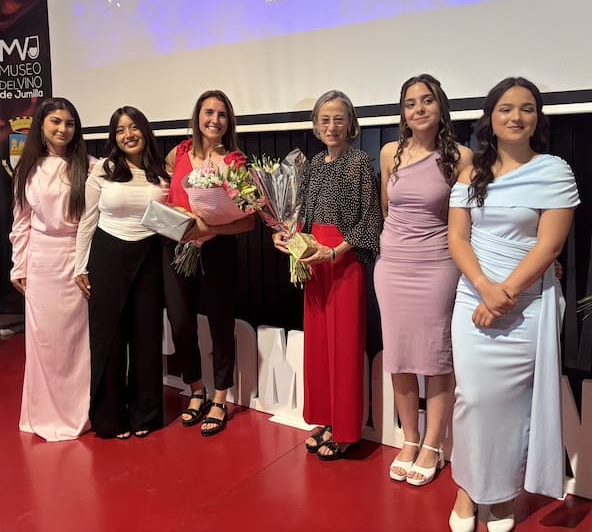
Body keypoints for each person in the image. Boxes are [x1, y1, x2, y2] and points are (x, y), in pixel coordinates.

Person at [447, 77, 579, 532]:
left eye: (526, 108)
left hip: (528, 306)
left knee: (511, 406)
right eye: (506, 108)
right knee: (472, 398)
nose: (516, 117)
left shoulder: (554, 171)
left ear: (537, 118)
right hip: (473, 298)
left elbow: (549, 247)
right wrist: (485, 287)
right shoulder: (470, 174)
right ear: (491, 117)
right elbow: (457, 238)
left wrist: (504, 297)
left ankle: (502, 495)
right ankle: (467, 489)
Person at [273, 90, 383, 460]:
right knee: (319, 345)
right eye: (325, 120)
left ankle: (347, 429)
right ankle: (326, 418)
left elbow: (370, 221)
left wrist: (334, 252)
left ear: (351, 124)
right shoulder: (314, 164)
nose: (331, 126)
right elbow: (300, 215)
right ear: (316, 126)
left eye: (339, 119)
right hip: (313, 261)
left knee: (345, 347)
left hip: (343, 262)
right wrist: (287, 235)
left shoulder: (360, 162)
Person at [374, 74, 472, 485]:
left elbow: (464, 219)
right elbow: (386, 208)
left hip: (437, 266)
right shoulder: (389, 153)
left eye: (427, 100)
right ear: (403, 112)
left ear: (440, 106)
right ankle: (409, 439)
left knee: (435, 358)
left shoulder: (461, 157)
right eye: (411, 103)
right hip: (392, 266)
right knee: (398, 357)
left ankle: (433, 444)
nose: (419, 109)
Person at [74, 106, 169, 440]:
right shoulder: (103, 169)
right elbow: (87, 219)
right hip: (108, 255)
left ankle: (146, 415)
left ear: (145, 130)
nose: (128, 135)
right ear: (113, 138)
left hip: (150, 256)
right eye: (120, 130)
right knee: (109, 339)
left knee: (147, 336)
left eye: (133, 127)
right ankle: (109, 418)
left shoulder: (161, 172)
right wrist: (80, 265)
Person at [163, 90, 255, 437]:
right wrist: (179, 217)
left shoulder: (235, 162)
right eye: (208, 112)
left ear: (229, 121)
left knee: (220, 324)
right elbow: (167, 197)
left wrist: (208, 228)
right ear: (197, 116)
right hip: (178, 249)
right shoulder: (178, 153)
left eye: (221, 114)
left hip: (219, 252)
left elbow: (248, 222)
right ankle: (196, 389)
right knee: (180, 323)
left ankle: (219, 397)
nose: (214, 120)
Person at [10, 97, 91, 441]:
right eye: (55, 122)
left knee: (76, 341)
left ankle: (79, 411)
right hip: (41, 262)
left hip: (76, 260)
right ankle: (42, 412)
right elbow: (21, 221)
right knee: (43, 341)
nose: (63, 129)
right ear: (41, 125)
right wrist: (19, 265)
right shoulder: (27, 168)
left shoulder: (89, 165)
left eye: (69, 123)